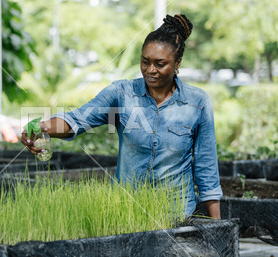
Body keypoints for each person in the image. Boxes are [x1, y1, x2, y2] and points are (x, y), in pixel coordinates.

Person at [21, 14, 222, 219]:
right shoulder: (121, 94)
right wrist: (42, 127)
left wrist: (217, 229)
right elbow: (77, 120)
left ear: (177, 63)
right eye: (145, 62)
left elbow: (207, 171)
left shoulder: (197, 103)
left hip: (176, 215)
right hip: (127, 213)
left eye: (160, 64)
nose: (150, 70)